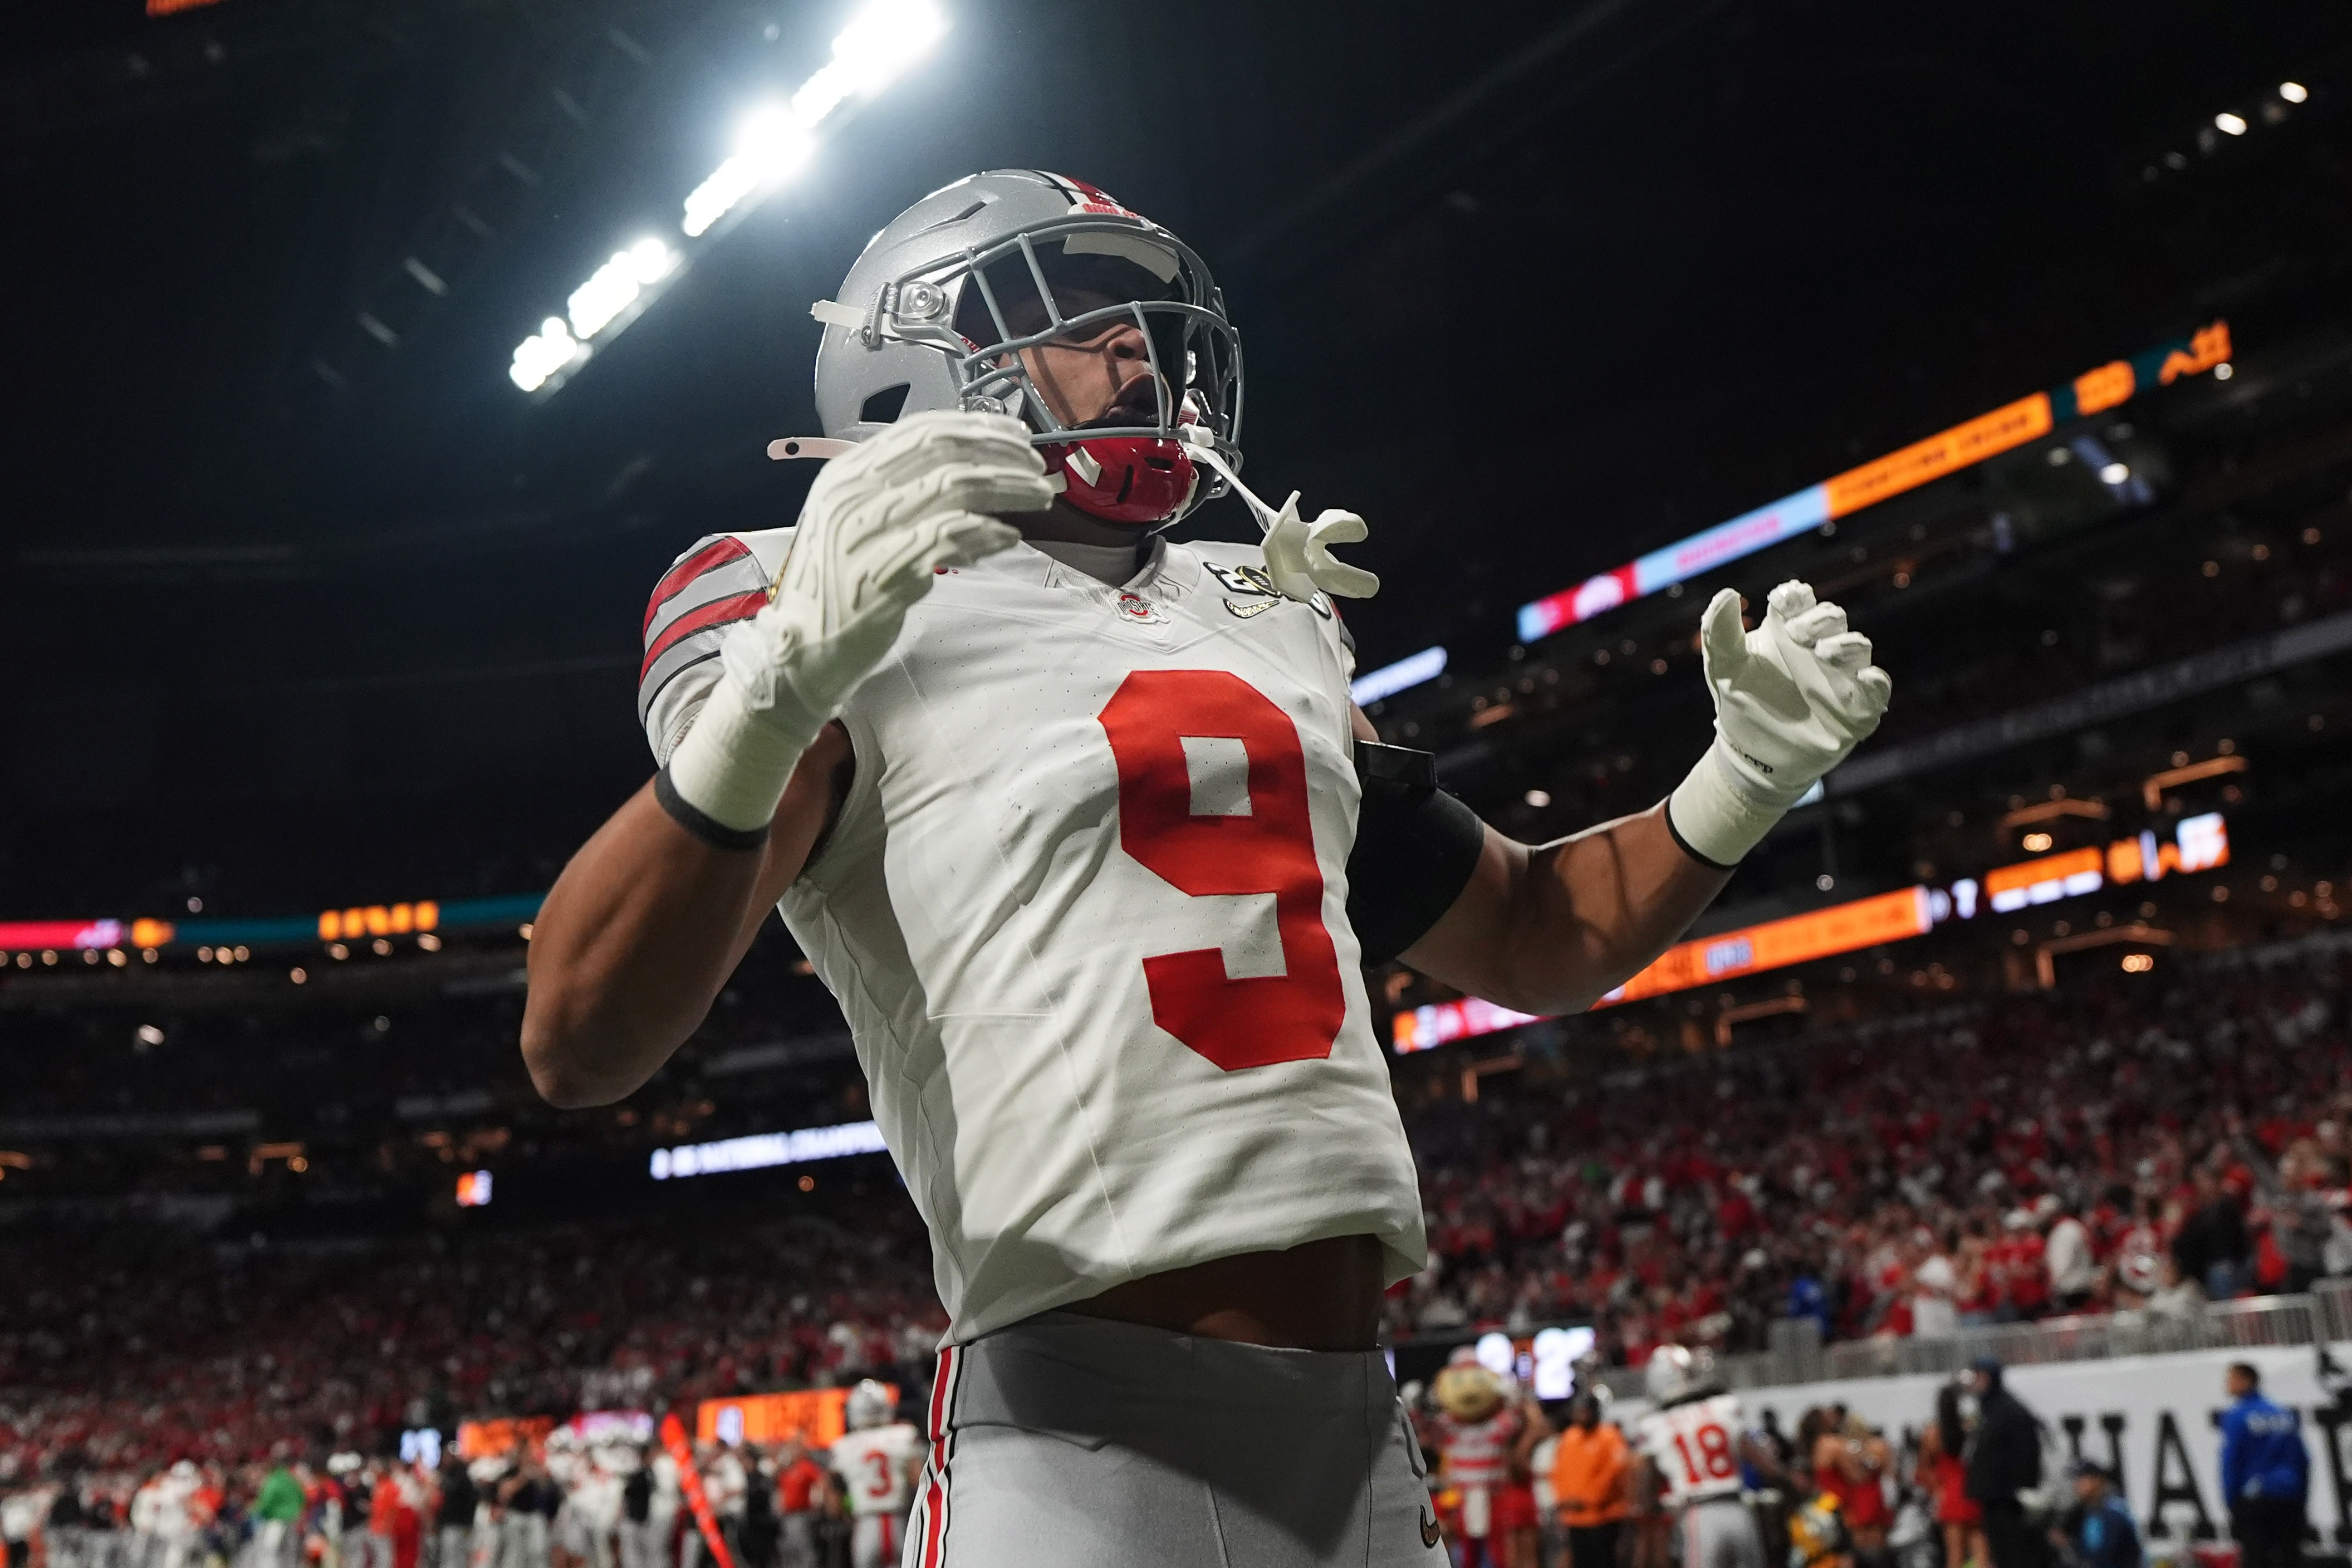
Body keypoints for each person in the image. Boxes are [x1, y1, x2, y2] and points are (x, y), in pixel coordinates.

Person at [521, 168, 1893, 1568]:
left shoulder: (1261, 609)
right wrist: (777, 683)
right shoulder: (796, 588)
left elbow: (1538, 936)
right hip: (1082, 1447)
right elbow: (578, 1040)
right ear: (905, 365)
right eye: (1066, 311)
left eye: (1144, 316)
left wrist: (1743, 777)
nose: (1135, 345)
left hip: (1359, 1434)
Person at [1631, 1347, 1768, 1568]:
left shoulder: (1658, 1424)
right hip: (1738, 1508)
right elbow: (1765, 1464)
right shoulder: (1722, 1407)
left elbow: (1646, 1497)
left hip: (1700, 1514)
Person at [1423, 1358, 1545, 1568]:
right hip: (1461, 1497)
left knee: (1498, 1551)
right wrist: (1430, 1400)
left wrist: (1509, 1392)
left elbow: (1519, 1416)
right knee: (1467, 1552)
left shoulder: (1495, 1427)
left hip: (1494, 1495)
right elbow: (1425, 1429)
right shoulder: (1449, 1427)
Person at [2219, 1363, 2309, 1568]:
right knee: (2290, 1558)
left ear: (2246, 1380)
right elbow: (2302, 1460)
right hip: (2289, 1497)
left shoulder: (2237, 1416)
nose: (2228, 1384)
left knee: (2257, 1559)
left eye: (2232, 1379)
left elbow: (2231, 1461)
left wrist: (2232, 1502)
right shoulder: (2282, 1414)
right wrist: (2301, 1499)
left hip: (2255, 1500)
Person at [825, 1383, 922, 1568]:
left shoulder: (843, 1446)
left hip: (865, 1525)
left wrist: (847, 1517)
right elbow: (918, 1480)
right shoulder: (904, 1435)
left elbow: (833, 1503)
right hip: (900, 1522)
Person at [1960, 1360, 2045, 1568]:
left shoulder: (2009, 1410)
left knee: (2015, 1552)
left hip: (2008, 1499)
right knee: (2000, 1552)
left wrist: (2022, 1489)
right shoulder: (1988, 1409)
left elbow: (2027, 1451)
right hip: (1993, 1498)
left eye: (1979, 1376)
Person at [1551, 1395, 1631, 1568]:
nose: (1581, 1416)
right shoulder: (1570, 1437)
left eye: (1585, 1412)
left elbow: (1614, 1472)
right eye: (1578, 1412)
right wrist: (1564, 1499)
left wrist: (1589, 1500)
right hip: (1574, 1518)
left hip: (1603, 1517)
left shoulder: (1610, 1436)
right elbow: (1559, 1473)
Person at [1919, 1383, 1982, 1568]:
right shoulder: (1972, 1428)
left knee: (1955, 1556)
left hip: (1951, 1495)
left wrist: (1938, 1489)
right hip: (1973, 1491)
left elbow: (1924, 1469)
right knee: (1981, 1554)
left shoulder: (1933, 1433)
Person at [2058, 1462, 2138, 1568]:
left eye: (2081, 1479)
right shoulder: (2090, 1512)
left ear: (2096, 1481)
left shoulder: (2114, 1510)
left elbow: (2105, 1553)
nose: (2076, 1485)